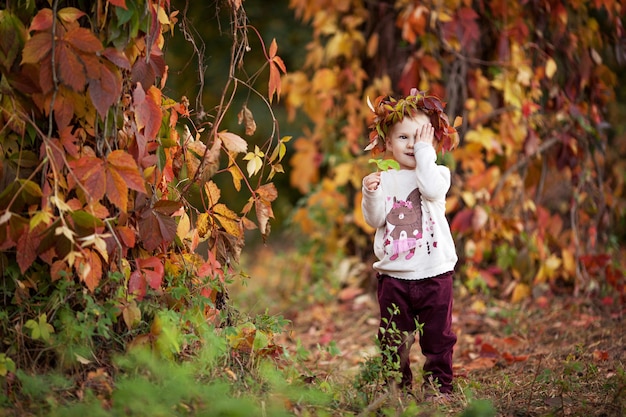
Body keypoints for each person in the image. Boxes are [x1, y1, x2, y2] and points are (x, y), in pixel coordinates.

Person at [361, 89, 459, 399]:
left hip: (434, 274)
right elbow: (375, 220)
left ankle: (438, 387)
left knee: (438, 336)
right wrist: (370, 193)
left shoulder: (438, 174)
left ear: (431, 144)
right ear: (388, 143)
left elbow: (429, 188)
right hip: (394, 277)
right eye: (404, 138)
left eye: (419, 138)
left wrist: (425, 152)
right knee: (393, 337)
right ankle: (395, 389)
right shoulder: (384, 179)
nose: (412, 145)